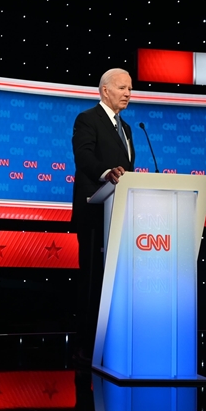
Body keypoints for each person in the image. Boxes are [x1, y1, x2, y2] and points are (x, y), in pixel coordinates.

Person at [71, 68, 135, 363]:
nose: (128, 93)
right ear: (105, 90)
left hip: (119, 216)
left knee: (116, 282)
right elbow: (83, 156)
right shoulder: (87, 119)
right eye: (122, 88)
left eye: (130, 89)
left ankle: (111, 345)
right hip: (94, 213)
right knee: (92, 280)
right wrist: (106, 173)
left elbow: (128, 169)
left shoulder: (128, 128)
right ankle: (85, 347)